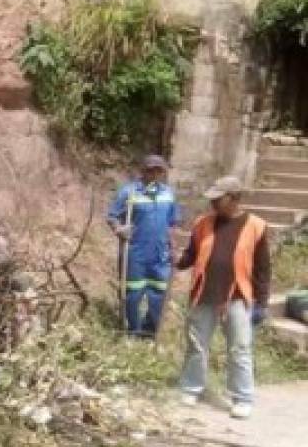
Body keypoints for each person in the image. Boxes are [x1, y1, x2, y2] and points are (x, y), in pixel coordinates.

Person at [176, 175, 271, 420]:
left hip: (238, 296)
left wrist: (261, 303)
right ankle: (191, 388)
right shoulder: (202, 224)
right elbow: (191, 255)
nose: (214, 204)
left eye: (219, 199)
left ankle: (242, 398)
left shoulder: (256, 226)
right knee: (197, 345)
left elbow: (262, 269)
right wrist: (176, 261)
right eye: (213, 199)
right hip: (204, 293)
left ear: (234, 198)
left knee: (239, 348)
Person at [106, 154, 180, 338]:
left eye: (158, 170)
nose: (154, 174)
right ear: (142, 171)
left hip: (160, 255)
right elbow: (112, 216)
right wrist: (119, 229)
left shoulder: (168, 194)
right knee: (133, 294)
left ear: (162, 172)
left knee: (158, 294)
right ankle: (133, 331)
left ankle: (149, 332)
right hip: (135, 253)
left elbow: (172, 223)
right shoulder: (129, 192)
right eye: (150, 170)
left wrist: (173, 247)